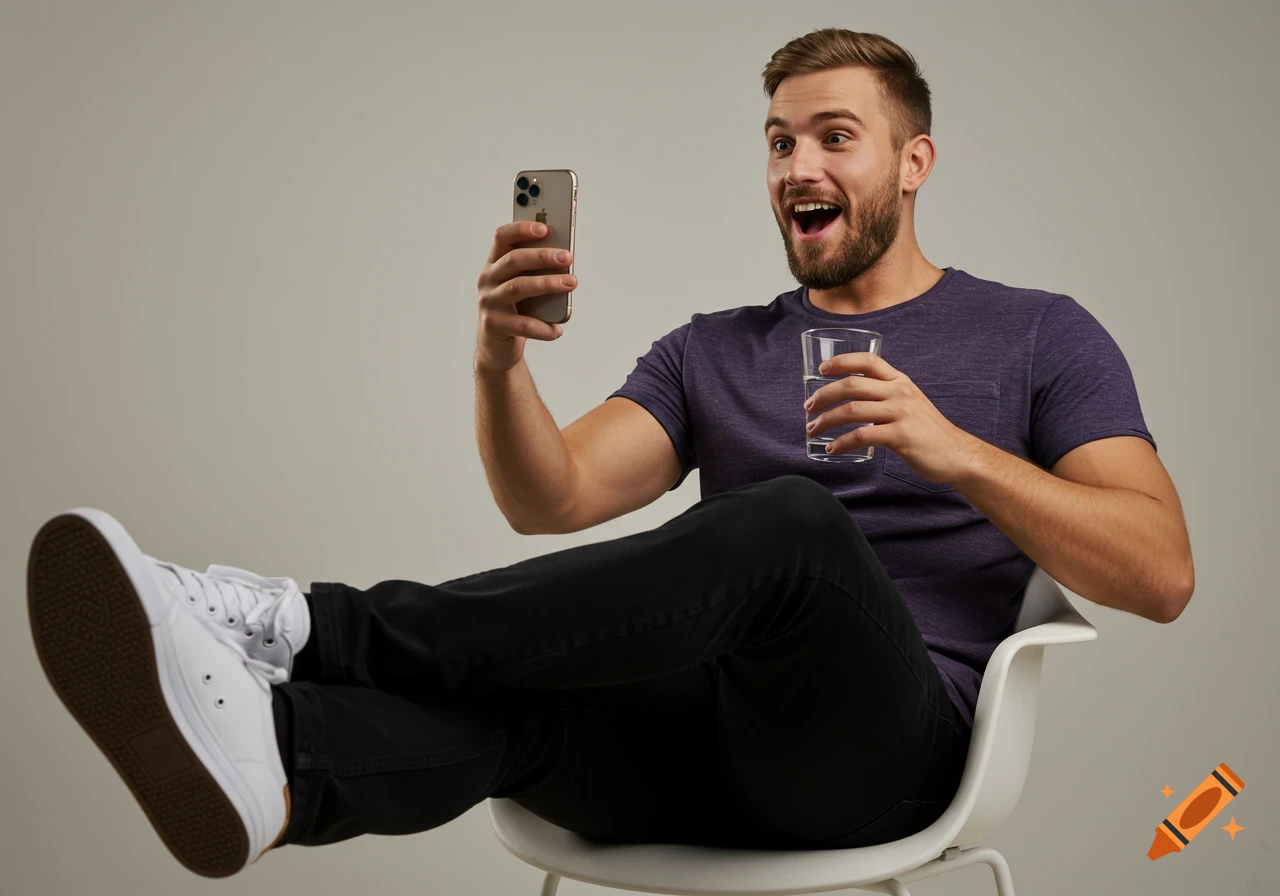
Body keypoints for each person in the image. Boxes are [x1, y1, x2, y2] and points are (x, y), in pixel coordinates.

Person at [25, 28, 1194, 880]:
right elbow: (555, 499)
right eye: (780, 140)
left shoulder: (1037, 332)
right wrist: (497, 360)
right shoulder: (710, 351)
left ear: (912, 163)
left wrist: (957, 454)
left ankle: (308, 627)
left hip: (889, 760)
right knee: (523, 713)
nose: (798, 168)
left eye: (835, 137)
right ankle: (281, 762)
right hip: (705, 750)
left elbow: (1159, 573)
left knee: (790, 522)